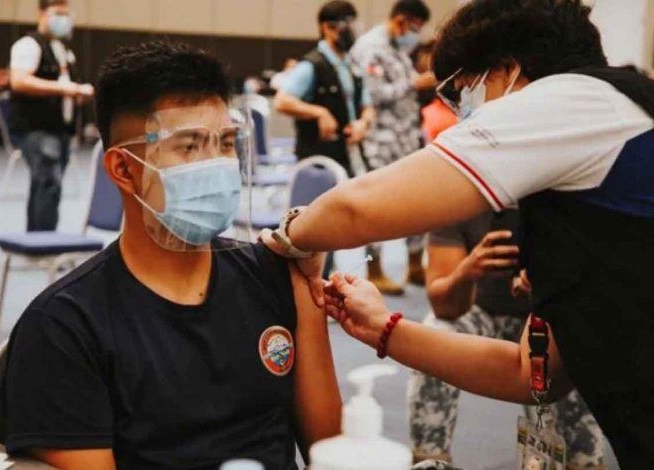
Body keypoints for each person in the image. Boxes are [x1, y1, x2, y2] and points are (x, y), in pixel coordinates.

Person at [260, 0, 654, 467]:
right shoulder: (582, 179)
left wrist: (290, 236)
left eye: (462, 93)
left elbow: (355, 208)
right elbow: (531, 373)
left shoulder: (571, 101)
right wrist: (384, 328)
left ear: (508, 70)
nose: (460, 115)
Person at [4, 41, 341, 470]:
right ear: (123, 169)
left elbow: (332, 451)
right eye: (188, 146)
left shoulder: (277, 276)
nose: (218, 164)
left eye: (225, 142)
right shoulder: (66, 326)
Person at [408, 209, 605, 467]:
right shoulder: (460, 201)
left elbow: (602, 290)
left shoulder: (564, 201)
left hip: (547, 315)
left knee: (576, 346)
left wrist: (549, 285)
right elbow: (443, 307)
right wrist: (467, 271)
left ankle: (584, 462)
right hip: (481, 312)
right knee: (434, 338)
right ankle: (429, 458)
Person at [349, 0, 434, 294]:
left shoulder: (397, 48)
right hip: (380, 141)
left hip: (405, 138)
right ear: (401, 20)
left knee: (416, 202)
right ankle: (374, 268)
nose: (415, 35)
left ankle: (413, 265)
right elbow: (374, 94)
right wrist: (415, 84)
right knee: (378, 205)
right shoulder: (372, 46)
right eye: (414, 28)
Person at [8, 0, 94, 231]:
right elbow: (19, 81)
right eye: (57, 13)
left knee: (46, 184)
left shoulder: (63, 49)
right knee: (48, 182)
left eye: (67, 14)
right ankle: (43, 242)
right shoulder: (28, 45)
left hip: (59, 129)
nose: (63, 19)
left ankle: (37, 238)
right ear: (41, 14)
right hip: (36, 128)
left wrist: (76, 93)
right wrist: (67, 89)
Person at [274, 0, 375, 176]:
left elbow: (367, 106)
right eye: (346, 25)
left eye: (353, 24)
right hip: (319, 162)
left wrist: (363, 123)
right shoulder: (311, 65)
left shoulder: (353, 65)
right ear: (327, 28)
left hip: (351, 156)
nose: (351, 31)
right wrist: (320, 112)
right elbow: (281, 101)